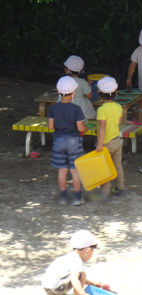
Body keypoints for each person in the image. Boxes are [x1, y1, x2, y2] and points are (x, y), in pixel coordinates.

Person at [48, 76, 88, 206]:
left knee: (62, 170)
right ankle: (77, 197)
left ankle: (63, 196)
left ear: (58, 92)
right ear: (74, 92)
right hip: (74, 142)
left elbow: (50, 126)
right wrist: (86, 128)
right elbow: (80, 127)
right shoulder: (76, 109)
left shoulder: (53, 108)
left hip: (58, 141)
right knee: (74, 171)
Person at [42, 230, 109, 295]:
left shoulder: (70, 257)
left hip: (48, 288)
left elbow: (72, 278)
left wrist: (94, 283)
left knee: (78, 275)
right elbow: (75, 279)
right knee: (83, 274)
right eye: (93, 250)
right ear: (88, 250)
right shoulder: (77, 261)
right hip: (56, 288)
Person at [95, 76, 125, 199]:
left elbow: (102, 128)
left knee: (105, 167)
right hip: (117, 141)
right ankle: (121, 188)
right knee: (118, 165)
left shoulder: (101, 110)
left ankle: (105, 192)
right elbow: (119, 122)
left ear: (99, 93)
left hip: (106, 143)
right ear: (116, 93)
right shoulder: (118, 106)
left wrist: (99, 144)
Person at [63, 55, 95, 120]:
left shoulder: (62, 81)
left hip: (64, 107)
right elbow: (89, 95)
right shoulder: (82, 82)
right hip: (81, 110)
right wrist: (88, 85)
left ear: (67, 70)